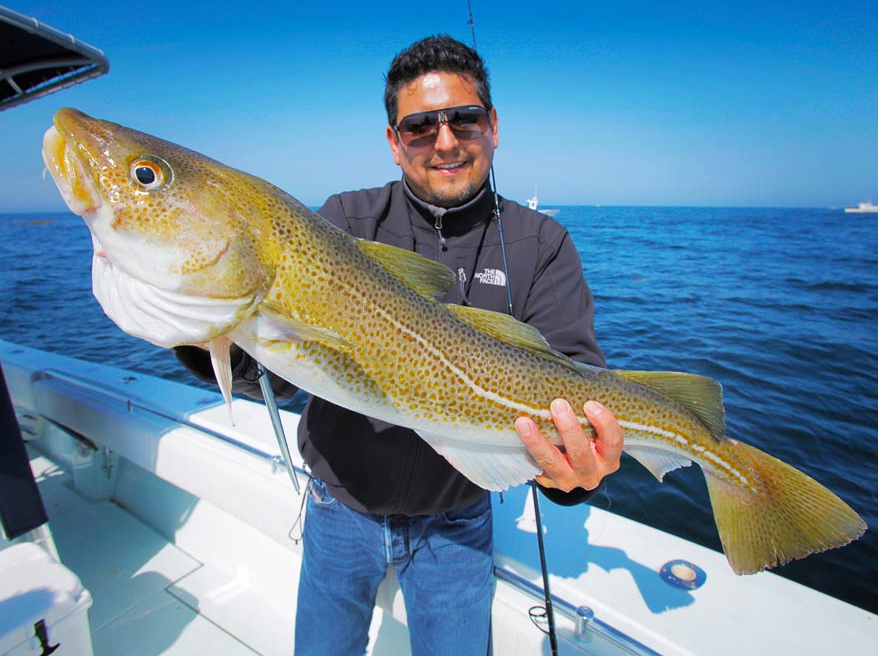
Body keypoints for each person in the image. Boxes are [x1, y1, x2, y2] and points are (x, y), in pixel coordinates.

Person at [175, 34, 623, 656]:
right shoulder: (344, 226)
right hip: (339, 511)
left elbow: (577, 384)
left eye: (464, 118)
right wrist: (204, 331)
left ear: (493, 126)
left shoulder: (540, 243)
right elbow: (281, 374)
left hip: (459, 525)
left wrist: (572, 475)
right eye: (419, 127)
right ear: (393, 141)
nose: (445, 141)